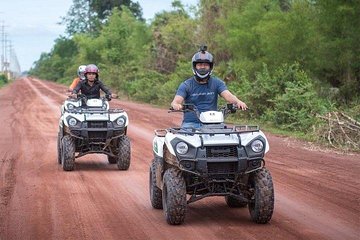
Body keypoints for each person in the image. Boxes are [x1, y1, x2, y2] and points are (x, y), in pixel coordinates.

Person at [171, 46, 248, 128]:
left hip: (214, 123)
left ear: (210, 67)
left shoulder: (217, 83)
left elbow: (228, 96)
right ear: (194, 66)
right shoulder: (186, 85)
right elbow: (176, 101)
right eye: (200, 64)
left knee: (227, 135)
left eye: (205, 65)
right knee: (186, 137)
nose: (203, 67)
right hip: (192, 124)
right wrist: (176, 105)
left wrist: (238, 102)